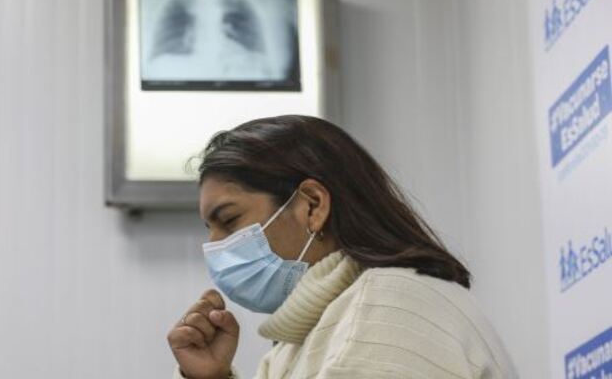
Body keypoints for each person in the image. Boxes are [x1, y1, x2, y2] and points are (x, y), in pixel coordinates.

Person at [167, 115, 519, 378]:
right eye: (210, 228)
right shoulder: (295, 346)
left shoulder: (387, 307)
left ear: (313, 205)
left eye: (229, 220)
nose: (214, 245)